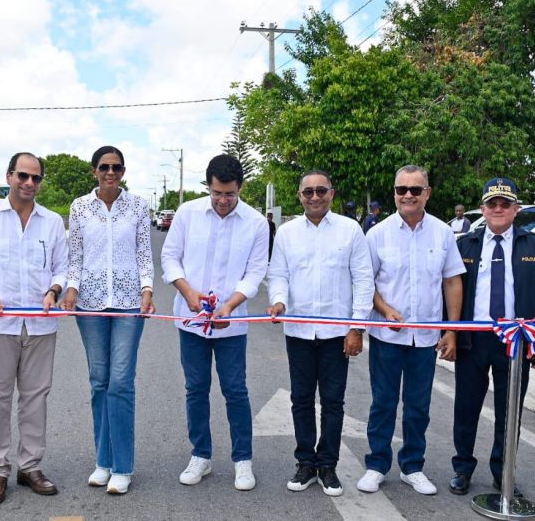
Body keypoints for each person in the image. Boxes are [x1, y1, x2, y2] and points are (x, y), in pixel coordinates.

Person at [0, 152, 68, 505]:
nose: (29, 183)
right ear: (9, 176)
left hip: (40, 325)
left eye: (36, 178)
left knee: (36, 398)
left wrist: (54, 291)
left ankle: (30, 465)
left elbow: (61, 270)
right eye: (23, 176)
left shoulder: (51, 222)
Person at [161, 154, 268, 491]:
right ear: (208, 186)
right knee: (196, 389)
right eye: (217, 193)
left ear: (240, 188)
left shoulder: (255, 223)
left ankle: (243, 460)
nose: (223, 201)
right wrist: (188, 292)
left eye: (230, 195)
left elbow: (255, 272)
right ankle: (201, 455)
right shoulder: (188, 213)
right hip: (191, 321)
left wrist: (231, 305)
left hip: (231, 325)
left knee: (235, 390)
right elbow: (170, 257)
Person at [357, 165, 464, 496]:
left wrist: (452, 331)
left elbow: (452, 281)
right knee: (383, 404)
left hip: (426, 338)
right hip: (387, 337)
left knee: (418, 406)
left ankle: (412, 466)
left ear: (427, 193)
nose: (407, 195)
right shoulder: (377, 234)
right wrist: (384, 309)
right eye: (401, 189)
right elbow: (366, 282)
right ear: (394, 193)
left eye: (415, 190)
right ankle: (376, 465)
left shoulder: (443, 233)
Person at [267, 170, 374, 496]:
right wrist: (279, 301)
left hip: (335, 333)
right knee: (300, 399)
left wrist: (356, 327)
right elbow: (278, 275)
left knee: (332, 401)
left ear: (332, 193)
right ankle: (305, 464)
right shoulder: (286, 233)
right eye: (308, 192)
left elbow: (363, 280)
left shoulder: (350, 230)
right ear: (300, 196)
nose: (315, 197)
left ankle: (328, 465)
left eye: (321, 191)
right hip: (298, 330)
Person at [449, 177, 535, 496]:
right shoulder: (465, 244)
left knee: (510, 412)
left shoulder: (533, 245)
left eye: (504, 204)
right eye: (492, 204)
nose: (498, 209)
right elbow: (450, 290)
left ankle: (503, 471)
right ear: (482, 209)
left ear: (515, 209)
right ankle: (463, 468)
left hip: (516, 342)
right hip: (473, 340)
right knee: (466, 408)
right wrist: (449, 333)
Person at [60, 146, 154, 495]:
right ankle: (103, 461)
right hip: (89, 303)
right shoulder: (80, 207)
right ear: (94, 171)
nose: (110, 172)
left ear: (123, 171)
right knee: (99, 381)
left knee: (120, 382)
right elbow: (75, 256)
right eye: (104, 167)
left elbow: (145, 252)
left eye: (116, 167)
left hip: (129, 303)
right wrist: (71, 290)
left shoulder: (138, 206)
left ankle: (123, 467)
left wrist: (147, 289)